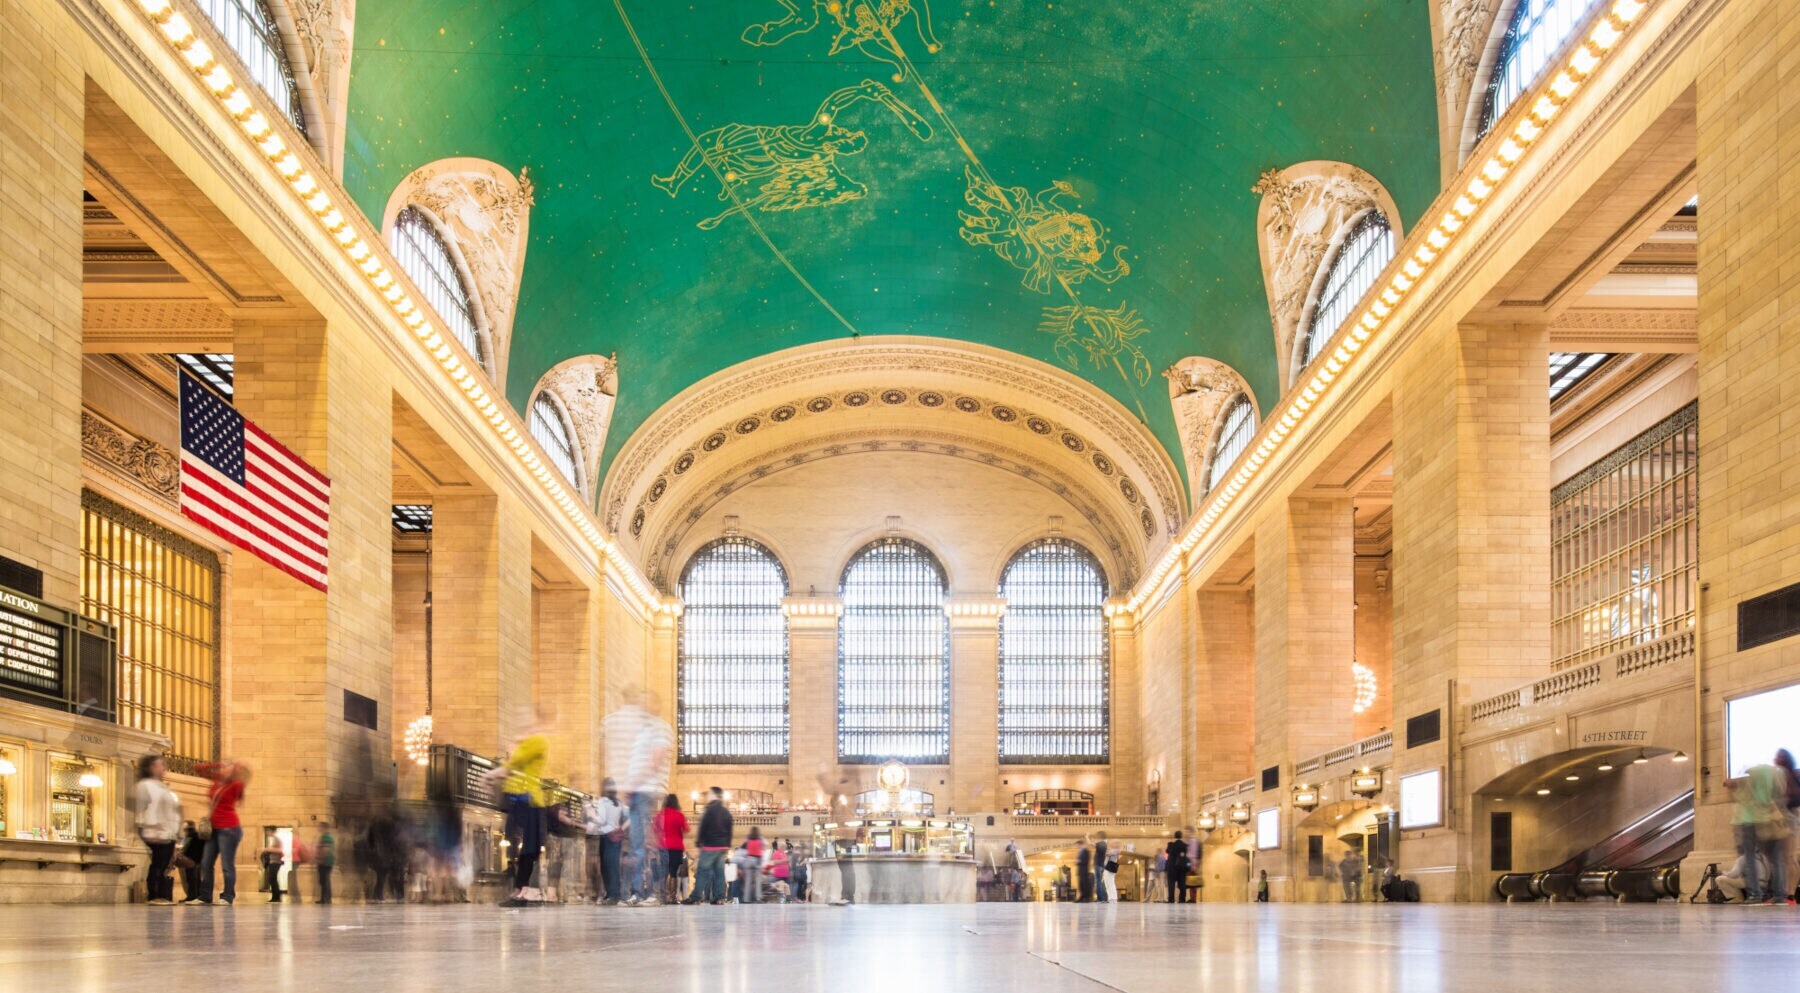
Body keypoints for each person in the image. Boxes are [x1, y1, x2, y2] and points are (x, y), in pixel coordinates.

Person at [604, 690, 674, 906]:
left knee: (645, 845)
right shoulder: (644, 729)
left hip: (648, 790)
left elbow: (655, 759)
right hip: (638, 791)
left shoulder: (659, 726)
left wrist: (633, 784)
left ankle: (651, 893)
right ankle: (638, 892)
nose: (639, 707)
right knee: (638, 845)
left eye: (644, 702)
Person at [493, 715, 552, 907]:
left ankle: (521, 890)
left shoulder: (535, 744)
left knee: (529, 850)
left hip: (530, 804)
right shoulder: (522, 755)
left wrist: (491, 774)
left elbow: (511, 766)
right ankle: (520, 890)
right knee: (521, 848)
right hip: (521, 805)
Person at [1729, 759, 1789, 904]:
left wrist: (1733, 790)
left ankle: (1755, 894)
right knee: (1776, 859)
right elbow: (1780, 794)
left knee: (1750, 857)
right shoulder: (1775, 774)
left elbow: (1744, 798)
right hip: (1768, 820)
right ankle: (1780, 895)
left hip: (1749, 820)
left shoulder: (1752, 775)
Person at [195, 759, 250, 905]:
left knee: (227, 865)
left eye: (228, 766)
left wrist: (236, 769)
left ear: (234, 770)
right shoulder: (217, 780)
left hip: (229, 828)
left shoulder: (237, 784)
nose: (224, 769)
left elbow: (243, 783)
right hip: (213, 827)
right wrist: (217, 765)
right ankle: (205, 896)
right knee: (206, 863)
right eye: (223, 766)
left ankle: (227, 896)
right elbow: (199, 768)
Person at [133, 754, 181, 906]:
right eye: (161, 765)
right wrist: (151, 825)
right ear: (152, 767)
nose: (164, 768)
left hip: (167, 831)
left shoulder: (161, 786)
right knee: (158, 863)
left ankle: (161, 895)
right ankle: (154, 895)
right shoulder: (145, 785)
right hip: (155, 830)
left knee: (163, 863)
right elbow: (141, 808)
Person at [689, 786, 733, 905]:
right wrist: (727, 845)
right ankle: (719, 898)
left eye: (709, 794)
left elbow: (702, 828)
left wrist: (699, 844)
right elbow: (730, 830)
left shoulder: (708, 810)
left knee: (702, 871)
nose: (707, 796)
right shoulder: (726, 811)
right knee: (719, 873)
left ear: (714, 795)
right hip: (722, 846)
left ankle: (695, 897)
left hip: (709, 846)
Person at [587, 779, 628, 904]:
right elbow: (629, 816)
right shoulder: (619, 803)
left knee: (606, 867)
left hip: (606, 836)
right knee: (614, 867)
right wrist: (621, 828)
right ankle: (613, 894)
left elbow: (601, 820)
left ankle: (611, 895)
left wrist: (591, 814)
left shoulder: (602, 801)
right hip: (616, 838)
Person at [1775, 749, 1800, 904]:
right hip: (1791, 820)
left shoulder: (1785, 774)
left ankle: (1790, 894)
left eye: (1777, 756)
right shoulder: (1791, 774)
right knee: (1788, 858)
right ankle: (1788, 893)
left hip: (1789, 821)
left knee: (1789, 858)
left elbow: (1784, 798)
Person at [656, 793, 689, 905]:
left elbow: (654, 829)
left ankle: (662, 897)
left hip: (662, 846)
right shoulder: (679, 815)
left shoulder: (660, 815)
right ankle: (673, 897)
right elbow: (686, 829)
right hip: (676, 846)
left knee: (663, 872)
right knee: (673, 873)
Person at [176, 821, 205, 904]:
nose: (184, 829)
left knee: (191, 879)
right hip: (194, 860)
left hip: (191, 860)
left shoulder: (191, 835)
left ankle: (192, 896)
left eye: (185, 827)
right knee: (193, 879)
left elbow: (185, 846)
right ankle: (194, 896)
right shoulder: (191, 835)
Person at [742, 827, 767, 904]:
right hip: (757, 859)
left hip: (749, 859)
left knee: (748, 881)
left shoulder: (748, 839)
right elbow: (763, 849)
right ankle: (758, 898)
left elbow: (746, 850)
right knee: (757, 880)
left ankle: (746, 899)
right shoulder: (760, 839)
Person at [1164, 832, 1188, 905]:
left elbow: (1167, 851)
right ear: (1181, 836)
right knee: (1182, 883)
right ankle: (1182, 899)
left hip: (1172, 867)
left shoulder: (1170, 844)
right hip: (1181, 867)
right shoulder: (1184, 845)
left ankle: (1171, 899)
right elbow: (1185, 853)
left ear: (1174, 836)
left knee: (1171, 883)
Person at [261, 834, 286, 903]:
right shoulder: (274, 840)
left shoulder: (277, 839)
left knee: (272, 879)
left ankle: (276, 898)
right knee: (272, 879)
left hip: (275, 862)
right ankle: (275, 897)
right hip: (273, 862)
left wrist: (268, 849)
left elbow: (279, 850)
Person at [315, 823, 336, 905]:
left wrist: (321, 859)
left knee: (325, 880)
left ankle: (326, 898)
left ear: (324, 828)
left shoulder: (327, 838)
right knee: (323, 881)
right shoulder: (324, 837)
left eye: (320, 827)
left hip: (326, 862)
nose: (319, 828)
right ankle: (324, 898)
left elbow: (326, 849)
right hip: (325, 861)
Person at [1093, 832, 1110, 903]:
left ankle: (1100, 899)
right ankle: (1104, 898)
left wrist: (1087, 837)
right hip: (1101, 865)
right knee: (1101, 882)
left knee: (1098, 882)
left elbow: (1092, 844)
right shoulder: (1105, 844)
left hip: (1098, 865)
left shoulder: (1101, 844)